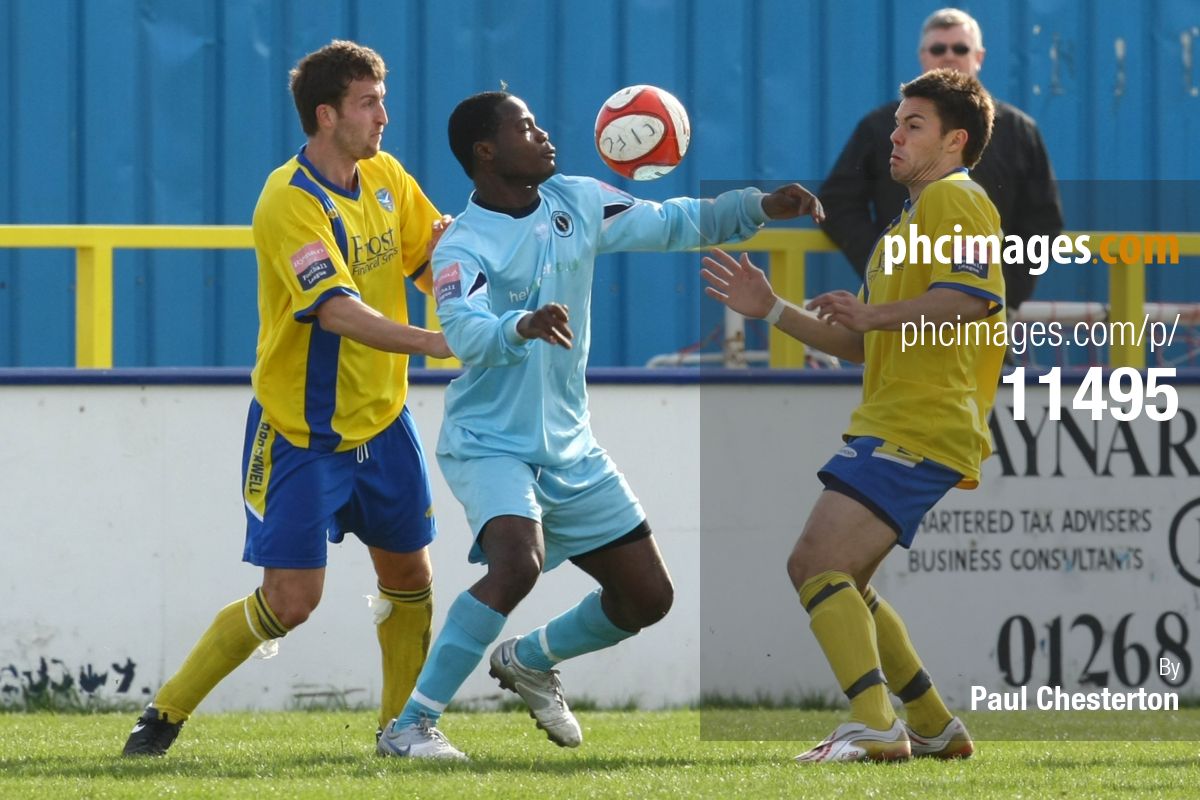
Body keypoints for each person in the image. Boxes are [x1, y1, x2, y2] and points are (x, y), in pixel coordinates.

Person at [375, 90, 825, 760]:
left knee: (647, 598)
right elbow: (464, 332)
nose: (543, 134)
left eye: (538, 123)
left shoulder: (578, 201)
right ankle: (410, 726)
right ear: (486, 151)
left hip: (570, 445)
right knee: (517, 564)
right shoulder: (461, 245)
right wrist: (520, 325)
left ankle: (530, 659)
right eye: (525, 127)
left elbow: (672, 221)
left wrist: (758, 207)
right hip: (490, 443)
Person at [122, 40, 453, 756]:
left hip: (384, 422)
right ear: (326, 115)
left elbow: (431, 260)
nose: (384, 117)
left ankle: (402, 732)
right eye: (369, 103)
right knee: (291, 602)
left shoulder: (387, 177)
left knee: (410, 577)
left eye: (382, 101)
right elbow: (335, 311)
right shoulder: (289, 200)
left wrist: (468, 284)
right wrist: (434, 341)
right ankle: (164, 714)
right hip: (302, 433)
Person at [702, 68, 1004, 763]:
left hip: (920, 422)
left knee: (814, 563)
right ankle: (931, 723)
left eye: (914, 126)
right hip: (899, 419)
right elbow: (862, 344)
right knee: (844, 577)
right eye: (896, 124)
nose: (894, 137)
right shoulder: (905, 226)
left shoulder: (956, 198)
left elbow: (973, 297)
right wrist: (772, 309)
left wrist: (874, 314)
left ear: (955, 141)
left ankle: (873, 723)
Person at [820, 7, 1061, 312]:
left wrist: (1007, 288)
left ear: (979, 57)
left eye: (960, 48)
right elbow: (837, 202)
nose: (949, 56)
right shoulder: (881, 127)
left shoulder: (1019, 131)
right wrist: (885, 264)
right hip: (898, 302)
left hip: (981, 302)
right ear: (923, 56)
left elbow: (1043, 221)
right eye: (938, 49)